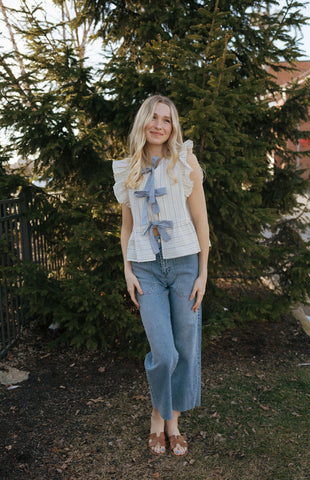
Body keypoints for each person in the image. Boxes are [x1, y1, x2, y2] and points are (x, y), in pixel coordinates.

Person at [112, 94, 210, 456]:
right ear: (143, 122)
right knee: (164, 353)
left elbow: (201, 221)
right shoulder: (127, 170)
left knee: (185, 349)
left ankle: (172, 422)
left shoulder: (185, 163)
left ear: (173, 126)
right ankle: (158, 416)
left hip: (185, 265)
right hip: (146, 270)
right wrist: (127, 270)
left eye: (166, 120)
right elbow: (127, 228)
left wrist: (202, 274)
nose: (159, 124)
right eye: (153, 117)